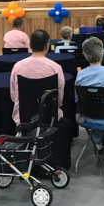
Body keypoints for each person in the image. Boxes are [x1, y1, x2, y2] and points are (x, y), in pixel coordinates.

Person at [10, 29, 71, 168]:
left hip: (23, 117)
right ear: (47, 46)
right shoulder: (55, 67)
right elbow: (59, 99)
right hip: (49, 118)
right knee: (66, 122)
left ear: (30, 45)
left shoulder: (17, 67)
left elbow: (14, 96)